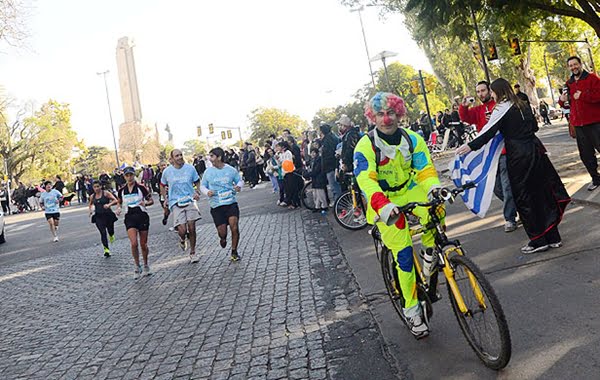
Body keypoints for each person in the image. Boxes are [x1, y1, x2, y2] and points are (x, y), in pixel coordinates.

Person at [354, 92, 441, 337]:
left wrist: (434, 187)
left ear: (398, 114)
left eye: (390, 113)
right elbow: (366, 180)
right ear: (372, 117)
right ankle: (411, 309)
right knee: (402, 256)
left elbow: (424, 169)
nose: (386, 119)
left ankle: (429, 254)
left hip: (410, 192)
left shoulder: (412, 138)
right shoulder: (366, 145)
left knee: (437, 210)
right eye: (380, 114)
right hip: (382, 200)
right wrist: (383, 205)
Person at [457, 78, 571, 253]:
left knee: (524, 197)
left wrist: (469, 147)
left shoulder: (501, 108)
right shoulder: (522, 103)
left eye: (493, 92)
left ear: (498, 91)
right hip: (535, 150)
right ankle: (553, 236)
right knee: (542, 192)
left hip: (518, 155)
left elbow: (488, 132)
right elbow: (534, 127)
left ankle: (538, 240)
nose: (492, 95)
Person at [460, 80, 518, 233]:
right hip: (488, 155)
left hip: (503, 151)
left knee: (506, 186)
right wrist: (464, 105)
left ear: (491, 90)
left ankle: (510, 218)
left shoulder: (499, 106)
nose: (481, 94)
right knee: (495, 187)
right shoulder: (478, 110)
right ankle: (516, 207)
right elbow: (465, 118)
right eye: (478, 92)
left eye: (483, 91)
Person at [559, 56, 600, 191]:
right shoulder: (568, 83)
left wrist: (583, 95)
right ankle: (595, 178)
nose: (573, 67)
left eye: (575, 64)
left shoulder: (592, 78)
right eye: (571, 65)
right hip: (578, 125)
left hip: (595, 122)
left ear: (580, 64)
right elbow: (566, 103)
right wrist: (561, 100)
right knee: (586, 155)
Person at [201, 147, 244, 262]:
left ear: (219, 157)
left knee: (234, 227)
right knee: (222, 232)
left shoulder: (230, 170)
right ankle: (222, 239)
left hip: (230, 203)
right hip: (216, 205)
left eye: (212, 156)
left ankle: (234, 252)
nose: (210, 159)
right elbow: (202, 186)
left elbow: (240, 180)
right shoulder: (208, 172)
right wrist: (207, 192)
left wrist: (238, 186)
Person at [160, 149, 202, 263]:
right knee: (182, 229)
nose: (179, 157)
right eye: (176, 156)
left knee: (192, 226)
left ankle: (193, 252)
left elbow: (197, 181)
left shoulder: (190, 168)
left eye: (180, 155)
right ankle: (182, 238)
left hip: (189, 200)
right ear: (172, 159)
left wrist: (197, 191)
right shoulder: (167, 171)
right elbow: (162, 185)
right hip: (176, 202)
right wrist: (164, 198)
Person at [116, 166, 154, 279]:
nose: (129, 177)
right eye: (127, 175)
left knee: (143, 244)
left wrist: (146, 204)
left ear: (134, 175)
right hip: (129, 217)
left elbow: (151, 200)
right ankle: (137, 266)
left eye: (131, 175)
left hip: (142, 216)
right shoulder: (121, 190)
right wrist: (118, 208)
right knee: (134, 243)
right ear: (124, 177)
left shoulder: (141, 188)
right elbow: (119, 202)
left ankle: (146, 264)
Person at [89, 180, 118, 257]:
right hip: (98, 216)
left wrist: (109, 204)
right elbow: (90, 204)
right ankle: (106, 249)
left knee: (110, 230)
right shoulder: (92, 196)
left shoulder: (106, 193)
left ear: (101, 186)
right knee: (103, 232)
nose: (96, 188)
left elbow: (115, 200)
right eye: (94, 187)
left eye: (98, 186)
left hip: (108, 215)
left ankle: (111, 235)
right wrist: (90, 210)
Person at [319, 123, 341, 204]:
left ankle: (339, 204)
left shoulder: (328, 140)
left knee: (334, 186)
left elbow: (329, 153)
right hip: (331, 165)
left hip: (330, 166)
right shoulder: (332, 137)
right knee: (334, 185)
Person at [307, 147, 328, 213]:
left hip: (319, 178)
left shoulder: (319, 159)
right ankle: (317, 206)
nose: (312, 154)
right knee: (315, 194)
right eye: (311, 152)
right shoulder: (312, 160)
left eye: (314, 152)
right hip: (315, 179)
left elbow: (316, 170)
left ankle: (324, 206)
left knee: (320, 194)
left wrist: (309, 174)